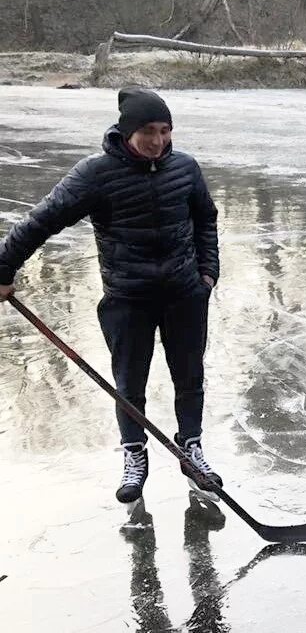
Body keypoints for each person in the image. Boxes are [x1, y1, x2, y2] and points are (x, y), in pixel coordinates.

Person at [0, 88, 222, 503]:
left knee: (189, 378)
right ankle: (134, 454)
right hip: (127, 301)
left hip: (185, 295)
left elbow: (205, 219)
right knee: (128, 383)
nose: (158, 141)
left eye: (164, 130)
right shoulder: (95, 174)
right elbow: (40, 220)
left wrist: (207, 275)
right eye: (147, 132)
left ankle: (191, 448)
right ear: (126, 132)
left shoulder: (186, 168)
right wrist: (3, 267)